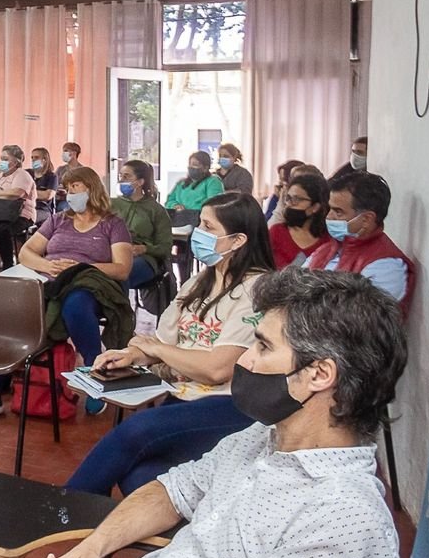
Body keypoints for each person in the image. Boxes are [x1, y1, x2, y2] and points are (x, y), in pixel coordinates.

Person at [39, 267, 407, 558]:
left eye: (263, 347)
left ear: (320, 374)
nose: (244, 361)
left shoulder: (342, 517)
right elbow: (174, 491)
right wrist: (92, 548)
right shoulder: (263, 436)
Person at [65, 193, 274, 497]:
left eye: (208, 227)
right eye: (199, 224)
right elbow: (161, 341)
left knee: (133, 432)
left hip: (229, 406)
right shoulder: (199, 282)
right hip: (182, 397)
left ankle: (62, 510)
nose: (197, 232)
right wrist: (130, 355)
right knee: (140, 478)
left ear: (238, 240)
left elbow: (216, 369)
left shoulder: (257, 290)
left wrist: (157, 351)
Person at [0, 166, 132, 418]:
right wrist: (47, 265)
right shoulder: (58, 220)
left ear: (92, 189)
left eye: (75, 187)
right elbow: (26, 253)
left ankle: (95, 374)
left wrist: (81, 266)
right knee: (14, 309)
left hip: (89, 282)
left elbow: (122, 268)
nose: (70, 193)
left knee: (75, 305)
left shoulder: (112, 224)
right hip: (50, 279)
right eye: (68, 188)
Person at [307, 171, 414, 314]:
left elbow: (352, 318)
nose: (329, 216)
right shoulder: (327, 249)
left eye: (338, 212)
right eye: (330, 209)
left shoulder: (387, 266)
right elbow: (293, 289)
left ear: (366, 219)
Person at [111, 160, 173, 288]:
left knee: (120, 274)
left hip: (143, 258)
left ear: (140, 182)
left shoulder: (156, 210)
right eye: (120, 176)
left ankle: (117, 301)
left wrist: (144, 248)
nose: (121, 180)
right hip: (113, 252)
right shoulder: (111, 204)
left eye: (126, 176)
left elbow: (165, 247)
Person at [0, 144, 37, 271]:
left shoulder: (22, 175)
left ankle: (8, 265)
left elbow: (16, 193)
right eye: (1, 158)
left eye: (5, 159)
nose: (2, 162)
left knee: (1, 230)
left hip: (20, 216)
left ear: (16, 161)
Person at [268, 174, 332, 269]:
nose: (289, 204)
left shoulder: (328, 240)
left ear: (315, 207)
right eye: (288, 198)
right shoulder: (276, 232)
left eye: (296, 199)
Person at [29, 147, 58, 224]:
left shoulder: (52, 176)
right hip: (26, 207)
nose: (33, 160)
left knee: (25, 219)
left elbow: (47, 195)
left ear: (44, 160)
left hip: (42, 209)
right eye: (32, 157)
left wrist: (26, 192)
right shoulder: (27, 173)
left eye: (36, 157)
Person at [54, 142, 83, 211]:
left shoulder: (82, 171)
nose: (63, 154)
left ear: (74, 153)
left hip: (76, 200)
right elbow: (54, 185)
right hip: (61, 200)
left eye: (66, 151)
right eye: (63, 151)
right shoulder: (60, 169)